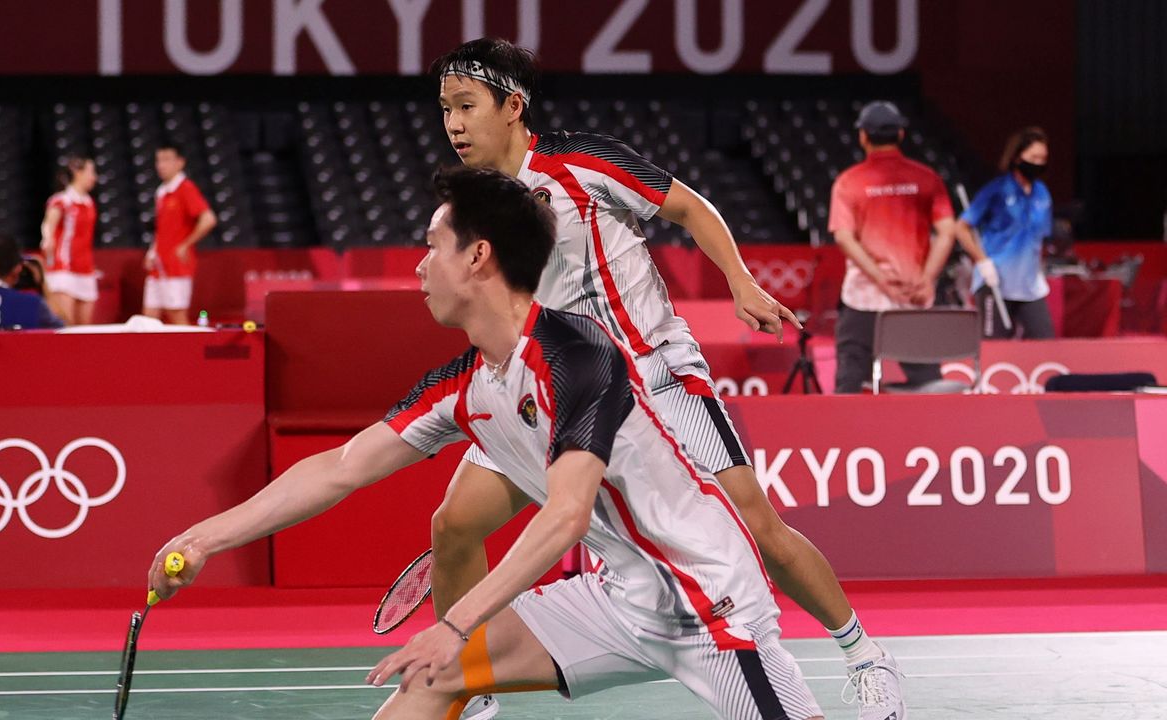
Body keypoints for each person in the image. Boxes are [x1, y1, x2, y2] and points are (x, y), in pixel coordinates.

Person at [147, 166, 824, 720]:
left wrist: (455, 623)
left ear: (477, 256)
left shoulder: (580, 353)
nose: (417, 269)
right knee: (433, 682)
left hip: (712, 604)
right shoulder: (465, 384)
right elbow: (339, 469)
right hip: (616, 599)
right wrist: (202, 538)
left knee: (445, 653)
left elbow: (564, 518)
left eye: (431, 248)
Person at [425, 39, 903, 719]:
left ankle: (864, 655)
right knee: (454, 524)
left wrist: (740, 282)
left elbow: (690, 207)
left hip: (654, 373)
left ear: (513, 106)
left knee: (758, 527)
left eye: (467, 106)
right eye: (446, 109)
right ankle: (470, 695)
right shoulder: (474, 204)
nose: (455, 124)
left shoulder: (581, 163)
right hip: (563, 392)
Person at [828, 100, 956, 394]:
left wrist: (880, 278)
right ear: (900, 134)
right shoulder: (927, 178)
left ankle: (844, 438)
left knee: (849, 384)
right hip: (913, 298)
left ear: (863, 136)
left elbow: (844, 238)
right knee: (928, 385)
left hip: (863, 299)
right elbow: (947, 232)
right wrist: (927, 279)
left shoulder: (849, 182)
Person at [954, 127, 1055, 338]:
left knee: (1046, 342)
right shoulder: (997, 190)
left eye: (1043, 158)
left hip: (1030, 286)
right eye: (1033, 157)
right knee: (996, 347)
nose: (1038, 163)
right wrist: (981, 261)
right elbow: (961, 227)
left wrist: (1040, 268)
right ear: (1017, 157)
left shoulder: (1042, 193)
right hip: (995, 282)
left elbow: (1041, 238)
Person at [143, 143, 215, 325]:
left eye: (167, 160)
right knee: (148, 318)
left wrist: (185, 245)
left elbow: (208, 219)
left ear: (180, 162)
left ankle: (188, 353)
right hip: (158, 265)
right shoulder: (161, 191)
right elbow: (161, 228)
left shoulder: (185, 188)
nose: (161, 165)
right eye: (158, 160)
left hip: (177, 265)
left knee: (176, 316)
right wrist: (151, 252)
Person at [40, 155, 98, 325]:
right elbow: (48, 224)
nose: (94, 177)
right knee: (66, 326)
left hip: (85, 269)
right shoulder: (61, 200)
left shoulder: (89, 202)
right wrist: (47, 238)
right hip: (63, 270)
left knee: (85, 329)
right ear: (77, 173)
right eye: (91, 172)